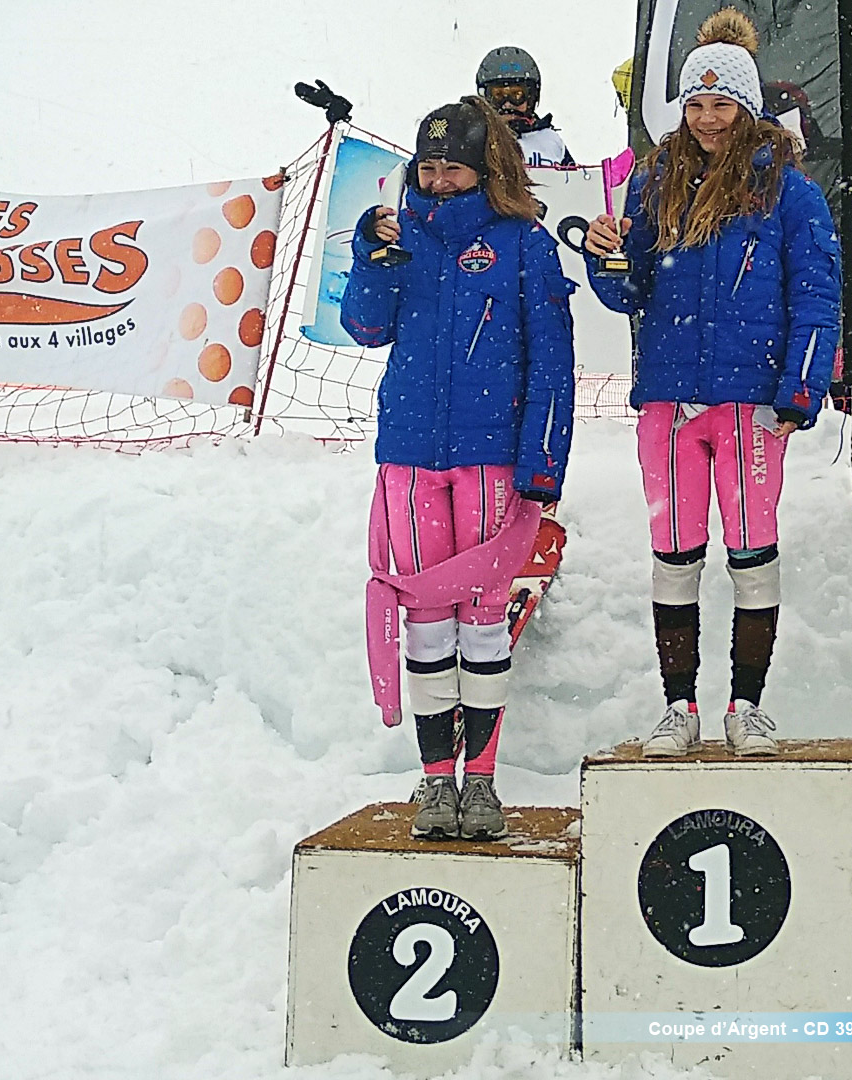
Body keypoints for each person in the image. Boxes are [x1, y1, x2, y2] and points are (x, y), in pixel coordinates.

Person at [578, 8, 840, 757]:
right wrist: (605, 256)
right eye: (696, 103)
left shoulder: (789, 191)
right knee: (674, 554)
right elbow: (629, 293)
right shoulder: (654, 182)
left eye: (723, 103)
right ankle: (679, 707)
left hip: (750, 404)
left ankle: (747, 706)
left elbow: (817, 295)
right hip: (669, 399)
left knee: (752, 552)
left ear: (748, 107)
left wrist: (800, 390)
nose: (708, 118)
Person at [343, 97, 577, 840]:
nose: (439, 181)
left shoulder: (524, 242)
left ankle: (482, 781)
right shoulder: (398, 235)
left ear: (488, 169)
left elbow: (553, 363)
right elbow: (364, 327)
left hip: (490, 460)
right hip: (409, 458)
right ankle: (436, 779)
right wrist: (368, 258)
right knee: (425, 620)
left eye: (454, 168)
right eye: (429, 167)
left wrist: (543, 462)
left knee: (482, 618)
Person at [476, 45, 576, 168]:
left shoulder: (550, 142)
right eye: (498, 96)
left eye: (516, 95)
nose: (507, 105)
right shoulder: (475, 142)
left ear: (531, 97)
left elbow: (573, 179)